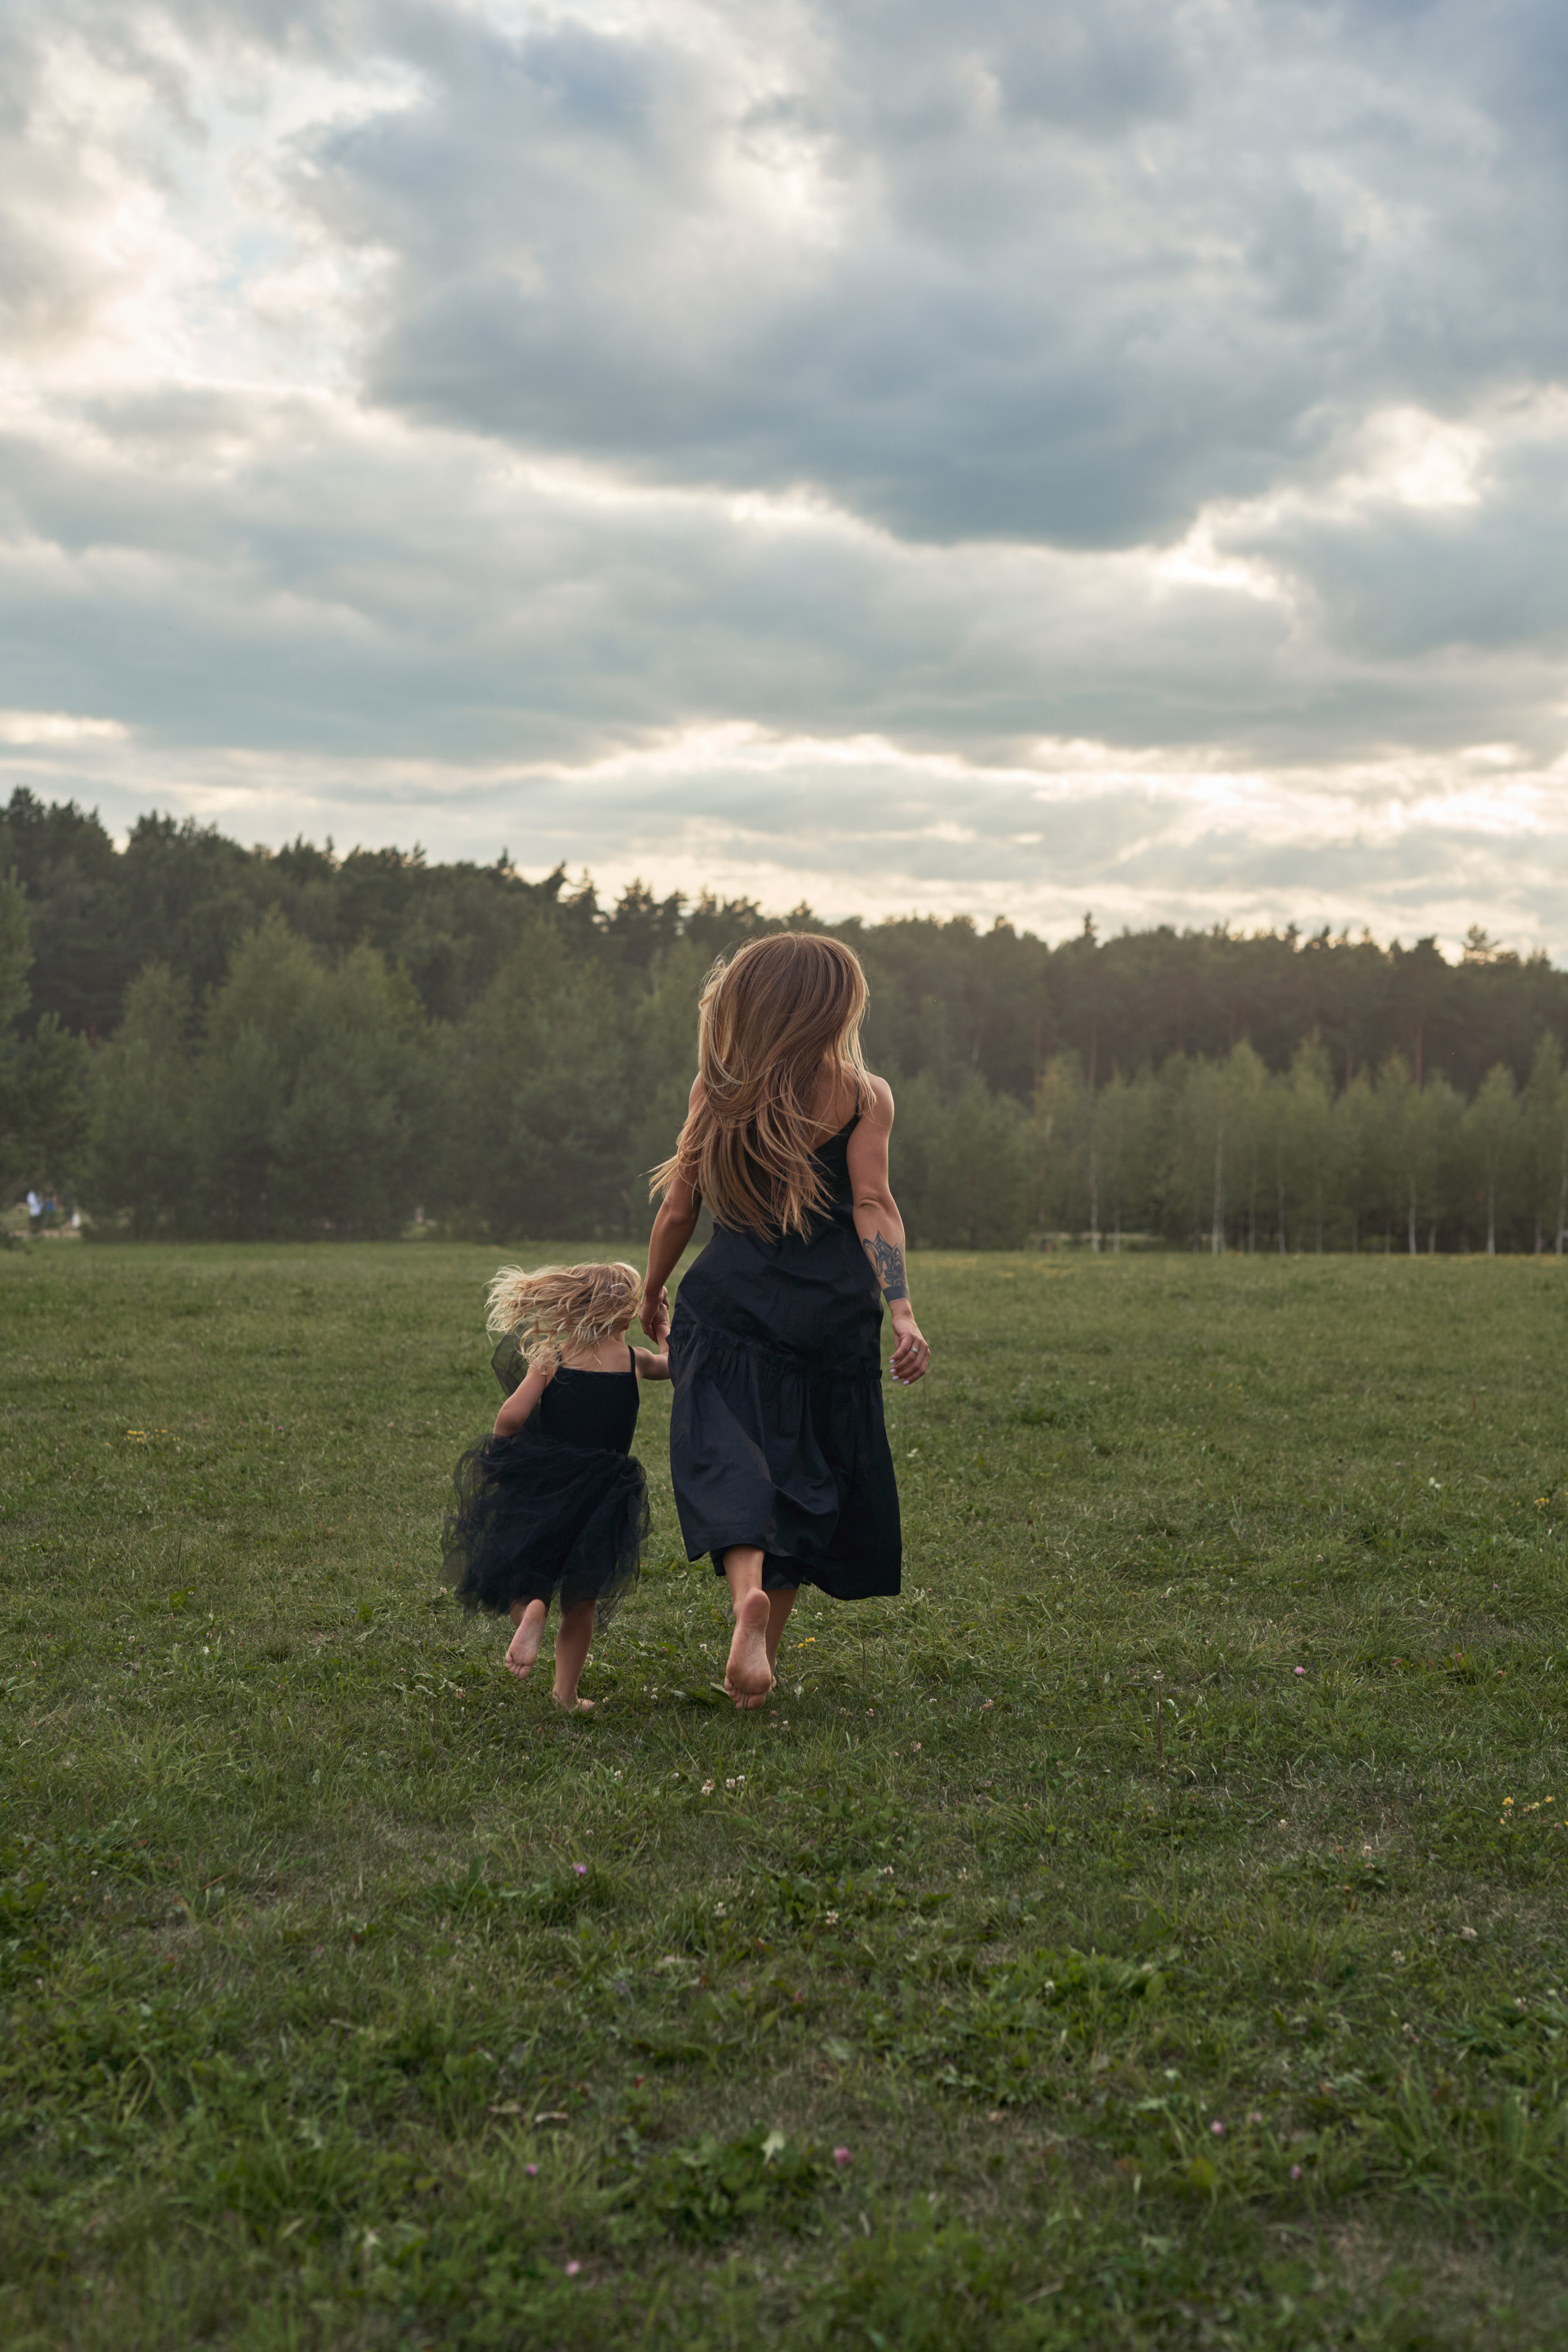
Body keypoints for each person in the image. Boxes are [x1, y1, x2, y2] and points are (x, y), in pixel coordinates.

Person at [642, 932, 930, 1709]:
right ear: (836, 1006)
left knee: (728, 1463)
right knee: (807, 1475)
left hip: (728, 1303)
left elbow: (680, 1206)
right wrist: (899, 1309)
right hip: (830, 1316)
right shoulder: (866, 1095)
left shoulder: (717, 1087)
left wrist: (651, 1289)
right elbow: (873, 1205)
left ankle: (746, 1607)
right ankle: (756, 1666)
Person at [443, 1262, 668, 1714]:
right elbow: (681, 1367)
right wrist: (664, 1327)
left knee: (524, 1572)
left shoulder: (553, 1357)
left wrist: (502, 1456)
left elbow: (511, 1416)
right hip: (607, 1492)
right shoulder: (634, 1361)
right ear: (625, 1316)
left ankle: (531, 1611)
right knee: (582, 1601)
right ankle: (565, 1696)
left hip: (546, 1484)